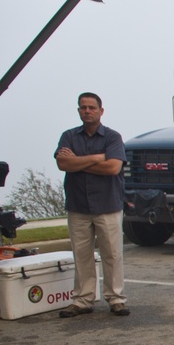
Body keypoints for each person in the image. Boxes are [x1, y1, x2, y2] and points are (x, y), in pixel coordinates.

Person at [55, 92, 130, 317]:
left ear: (101, 111)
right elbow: (62, 163)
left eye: (91, 107)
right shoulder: (68, 137)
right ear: (78, 110)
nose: (87, 111)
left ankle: (116, 298)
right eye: (83, 107)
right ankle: (83, 300)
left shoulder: (112, 138)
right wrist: (97, 158)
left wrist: (76, 163)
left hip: (107, 205)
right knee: (82, 255)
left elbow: (112, 168)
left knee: (112, 254)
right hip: (78, 205)